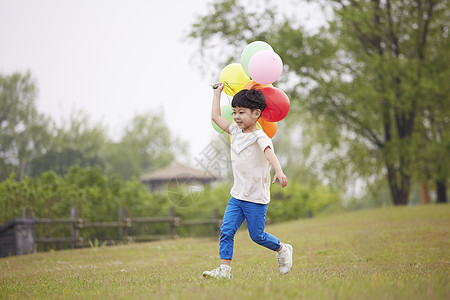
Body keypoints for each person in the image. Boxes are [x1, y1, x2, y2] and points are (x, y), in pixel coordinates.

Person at [203, 82, 293, 279]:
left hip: (256, 197)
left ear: (256, 114)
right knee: (226, 230)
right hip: (237, 195)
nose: (236, 116)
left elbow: (270, 154)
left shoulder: (260, 137)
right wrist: (217, 94)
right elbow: (215, 117)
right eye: (235, 111)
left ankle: (282, 249)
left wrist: (279, 172)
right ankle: (224, 271)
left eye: (241, 112)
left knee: (257, 236)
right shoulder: (235, 131)